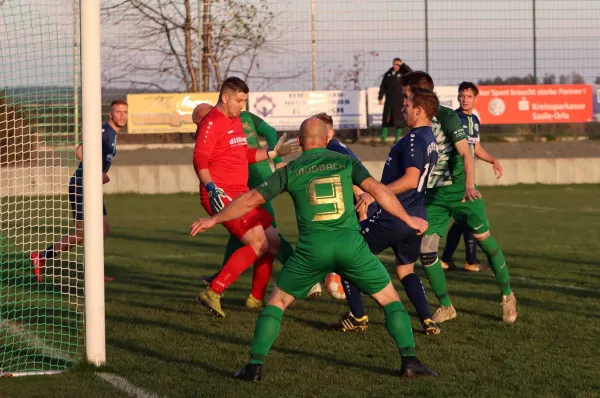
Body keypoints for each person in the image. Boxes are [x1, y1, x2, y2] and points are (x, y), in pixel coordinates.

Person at [190, 117, 438, 380]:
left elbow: (250, 199)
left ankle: (254, 366)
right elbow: (378, 190)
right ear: (327, 140)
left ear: (299, 141)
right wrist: (408, 219)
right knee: (389, 299)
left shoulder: (291, 169)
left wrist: (214, 218)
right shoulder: (345, 161)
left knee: (277, 302)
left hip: (312, 251)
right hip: (351, 246)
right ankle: (410, 361)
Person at [400, 72, 517, 324]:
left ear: (420, 95)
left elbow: (466, 152)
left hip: (462, 193)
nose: (403, 101)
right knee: (427, 250)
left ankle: (507, 295)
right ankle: (446, 306)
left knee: (484, 241)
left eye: (406, 94)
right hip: (434, 198)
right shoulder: (413, 120)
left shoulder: (448, 117)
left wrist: (469, 185)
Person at [329, 88, 441, 335]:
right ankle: (427, 320)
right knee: (405, 270)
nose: (403, 108)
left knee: (347, 256)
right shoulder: (429, 139)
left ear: (420, 110)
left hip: (397, 215)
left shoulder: (413, 139)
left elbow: (411, 180)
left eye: (408, 104)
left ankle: (358, 317)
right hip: (417, 214)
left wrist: (375, 192)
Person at [193, 77, 299, 317]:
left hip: (240, 192)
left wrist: (274, 152)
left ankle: (255, 298)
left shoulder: (236, 121)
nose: (242, 106)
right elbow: (199, 158)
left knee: (272, 241)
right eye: (239, 100)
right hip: (221, 194)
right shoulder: (211, 123)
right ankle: (214, 291)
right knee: (258, 242)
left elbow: (246, 156)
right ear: (225, 97)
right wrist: (210, 186)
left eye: (244, 101)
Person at [192, 104, 321, 298]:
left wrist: (277, 158)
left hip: (251, 175)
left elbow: (261, 138)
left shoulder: (224, 122)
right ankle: (251, 293)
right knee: (250, 232)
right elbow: (266, 132)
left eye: (197, 123)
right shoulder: (236, 119)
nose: (197, 129)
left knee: (265, 233)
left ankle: (305, 280)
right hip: (246, 176)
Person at [30, 99, 128, 283]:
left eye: (125, 112)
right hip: (81, 185)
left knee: (103, 230)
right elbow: (80, 151)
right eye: (118, 111)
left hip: (91, 187)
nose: (122, 115)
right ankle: (41, 256)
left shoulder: (112, 134)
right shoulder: (104, 131)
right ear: (110, 114)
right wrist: (98, 172)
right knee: (82, 234)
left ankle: (93, 272)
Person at [440, 82, 503, 272]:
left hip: (466, 174)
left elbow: (476, 148)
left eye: (468, 96)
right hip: (455, 174)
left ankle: (447, 260)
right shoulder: (453, 118)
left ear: (476, 98)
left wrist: (493, 160)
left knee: (462, 219)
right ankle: (470, 262)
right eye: (461, 95)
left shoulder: (474, 120)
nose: (464, 99)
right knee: (469, 214)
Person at [378, 58, 413, 144]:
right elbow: (383, 86)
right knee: (386, 118)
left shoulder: (404, 73)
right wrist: (380, 97)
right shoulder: (388, 74)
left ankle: (397, 138)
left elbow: (411, 73)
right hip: (389, 100)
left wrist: (403, 65)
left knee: (399, 120)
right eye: (394, 64)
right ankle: (383, 138)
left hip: (400, 101)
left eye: (398, 65)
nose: (395, 66)